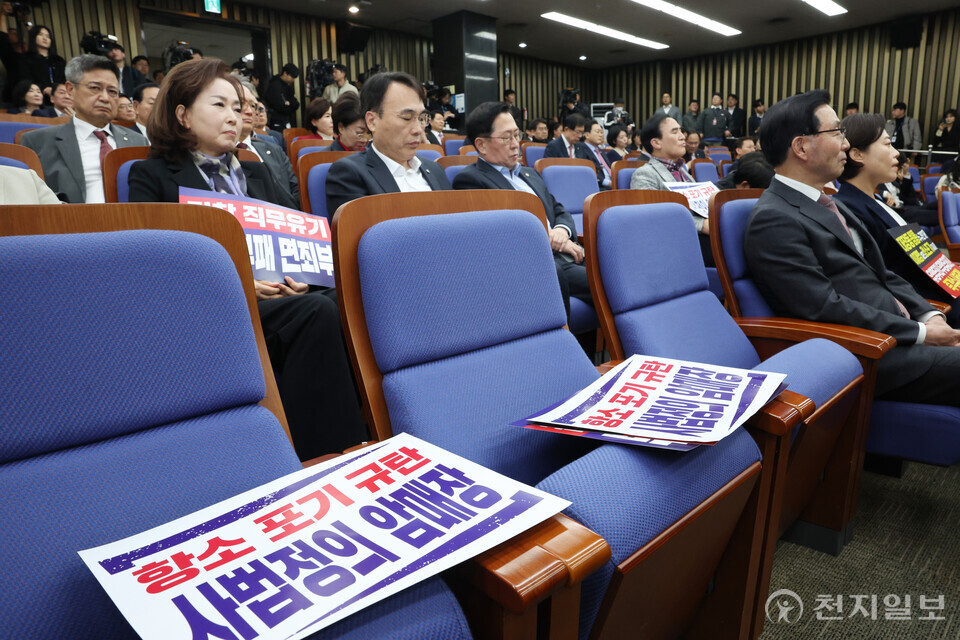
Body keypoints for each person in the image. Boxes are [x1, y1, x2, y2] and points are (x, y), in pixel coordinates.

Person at [127, 58, 367, 459]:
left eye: (238, 108)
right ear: (183, 115)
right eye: (219, 105)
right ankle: (324, 449)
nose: (234, 117)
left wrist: (302, 275)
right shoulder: (150, 175)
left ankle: (358, 429)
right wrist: (240, 282)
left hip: (279, 295)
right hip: (209, 303)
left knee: (337, 299)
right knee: (313, 312)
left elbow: (298, 237)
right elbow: (153, 265)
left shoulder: (256, 173)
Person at [745, 89, 960, 406]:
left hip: (900, 336)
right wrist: (921, 333)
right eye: (836, 132)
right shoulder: (774, 218)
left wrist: (928, 314)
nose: (845, 143)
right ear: (801, 147)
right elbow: (822, 307)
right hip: (869, 353)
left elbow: (882, 274)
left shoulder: (827, 202)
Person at [452, 101, 591, 321]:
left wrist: (562, 232)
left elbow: (558, 209)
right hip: (538, 264)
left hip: (569, 253)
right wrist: (551, 239)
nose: (516, 144)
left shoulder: (529, 174)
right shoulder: (471, 180)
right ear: (482, 144)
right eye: (506, 138)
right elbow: (501, 233)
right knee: (614, 285)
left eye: (517, 135)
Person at [834, 112, 960, 326]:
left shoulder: (874, 201)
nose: (896, 154)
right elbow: (876, 284)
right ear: (857, 154)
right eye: (888, 145)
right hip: (932, 311)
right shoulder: (849, 210)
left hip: (948, 289)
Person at [20, 54, 147, 204]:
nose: (105, 98)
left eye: (112, 91)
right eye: (95, 88)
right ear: (70, 90)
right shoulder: (37, 142)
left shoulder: (139, 141)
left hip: (133, 225)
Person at [325, 71, 452, 217]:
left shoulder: (435, 169)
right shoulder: (349, 174)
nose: (418, 129)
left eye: (421, 118)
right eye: (406, 117)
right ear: (372, 121)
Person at [631, 113, 712, 264]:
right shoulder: (644, 174)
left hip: (702, 238)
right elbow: (652, 218)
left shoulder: (684, 173)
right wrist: (702, 225)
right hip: (676, 244)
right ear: (656, 143)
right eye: (675, 132)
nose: (682, 137)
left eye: (681, 131)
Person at [235, 81, 299, 210]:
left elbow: (295, 191)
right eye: (241, 104)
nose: (249, 111)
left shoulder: (274, 149)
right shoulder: (217, 154)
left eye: (253, 106)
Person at [17, 25, 65, 97]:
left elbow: (63, 80)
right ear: (33, 37)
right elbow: (26, 80)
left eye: (48, 36)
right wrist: (43, 89)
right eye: (41, 35)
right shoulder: (26, 58)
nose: (45, 38)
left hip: (58, 97)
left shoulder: (59, 60)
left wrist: (55, 90)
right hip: (37, 96)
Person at [265, 63, 300, 131]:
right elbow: (279, 105)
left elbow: (296, 103)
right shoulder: (275, 85)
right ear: (285, 73)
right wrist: (290, 105)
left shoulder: (287, 86)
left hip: (285, 119)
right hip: (277, 121)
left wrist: (290, 104)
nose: (293, 80)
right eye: (292, 77)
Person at [582, 119, 611, 188]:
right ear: (587, 135)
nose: (600, 135)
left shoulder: (600, 151)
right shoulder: (582, 150)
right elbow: (591, 174)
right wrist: (610, 183)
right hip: (599, 187)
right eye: (597, 132)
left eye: (602, 132)